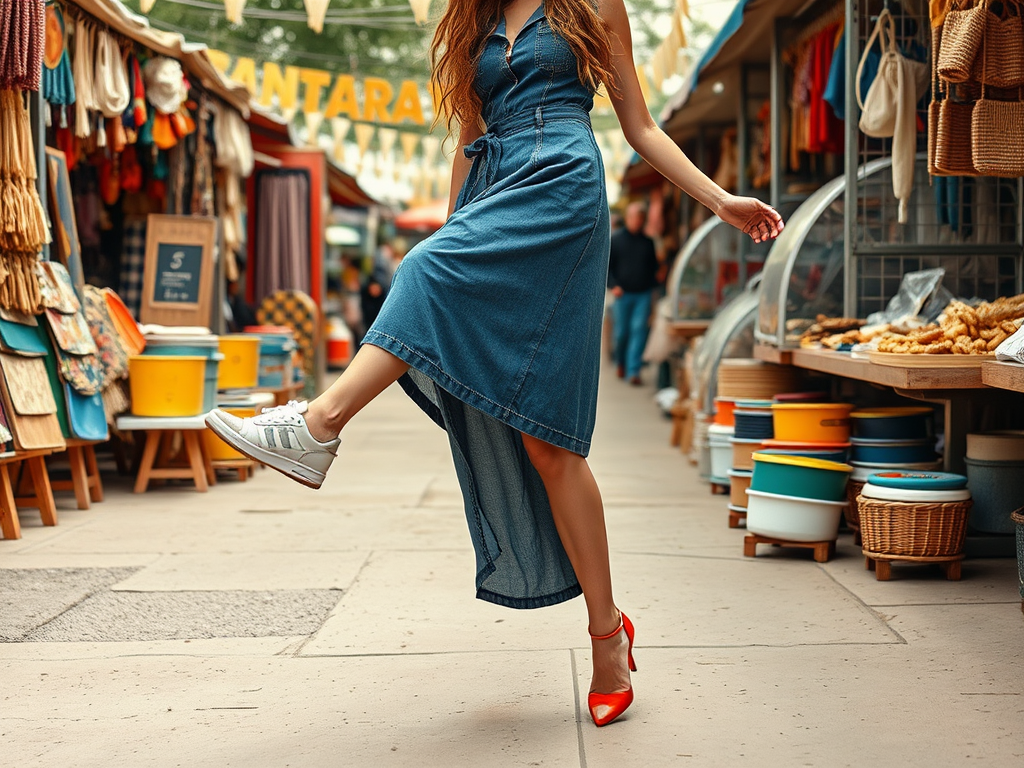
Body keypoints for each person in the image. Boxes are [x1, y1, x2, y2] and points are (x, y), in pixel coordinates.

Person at [207, 0, 782, 728]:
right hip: (495, 191)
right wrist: (453, 245)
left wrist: (720, 199)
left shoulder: (594, 5)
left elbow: (638, 126)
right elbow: (468, 138)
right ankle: (610, 629)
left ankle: (319, 427)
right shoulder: (472, 22)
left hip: (567, 193)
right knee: (505, 392)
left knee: (550, 439)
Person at [608, 201, 660, 386]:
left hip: (642, 294)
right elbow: (607, 268)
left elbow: (654, 268)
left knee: (638, 330)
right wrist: (613, 285)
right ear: (628, 218)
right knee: (622, 333)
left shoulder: (648, 243)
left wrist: (654, 291)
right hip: (622, 294)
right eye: (635, 218)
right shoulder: (616, 240)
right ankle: (621, 362)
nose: (638, 222)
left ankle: (634, 371)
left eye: (641, 219)